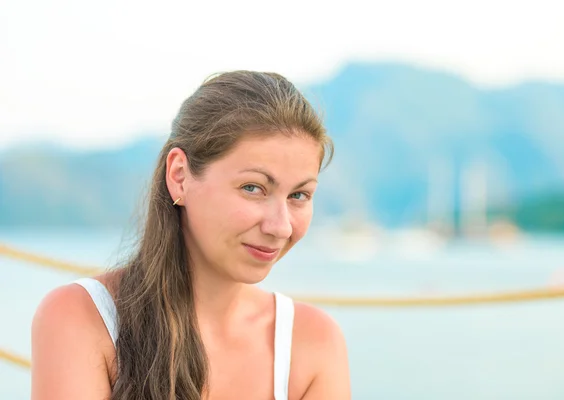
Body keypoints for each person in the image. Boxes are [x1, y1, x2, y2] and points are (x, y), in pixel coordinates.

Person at [30, 71, 351, 399]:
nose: (281, 226)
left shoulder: (312, 343)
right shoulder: (82, 318)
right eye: (252, 188)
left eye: (299, 196)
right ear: (180, 176)